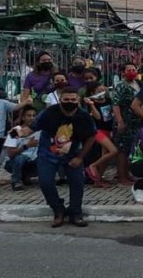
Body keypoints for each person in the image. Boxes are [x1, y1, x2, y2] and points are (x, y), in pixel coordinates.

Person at [14, 87, 97, 227]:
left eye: (73, 99)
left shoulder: (84, 116)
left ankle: (76, 213)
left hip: (73, 155)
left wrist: (81, 157)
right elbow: (31, 128)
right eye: (66, 99)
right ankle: (58, 210)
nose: (70, 102)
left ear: (78, 100)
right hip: (47, 155)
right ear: (60, 100)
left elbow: (91, 136)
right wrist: (15, 135)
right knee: (45, 183)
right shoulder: (49, 112)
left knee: (77, 183)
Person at [81, 82, 119, 188]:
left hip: (108, 130)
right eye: (99, 91)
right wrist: (91, 105)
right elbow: (97, 117)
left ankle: (98, 179)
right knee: (113, 151)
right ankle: (92, 166)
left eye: (103, 90)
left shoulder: (108, 100)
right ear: (93, 93)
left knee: (105, 157)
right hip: (98, 131)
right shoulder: (91, 103)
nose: (102, 92)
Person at [112, 62, 141, 186]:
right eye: (128, 70)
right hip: (124, 121)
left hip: (135, 122)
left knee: (130, 148)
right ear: (123, 72)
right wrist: (120, 121)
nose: (131, 72)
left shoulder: (137, 84)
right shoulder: (120, 85)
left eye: (133, 69)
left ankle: (127, 174)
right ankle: (121, 177)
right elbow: (115, 103)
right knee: (122, 150)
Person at [3, 106, 40, 191]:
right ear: (23, 117)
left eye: (34, 115)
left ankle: (27, 177)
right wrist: (27, 146)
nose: (32, 118)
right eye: (29, 115)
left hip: (33, 160)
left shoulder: (40, 131)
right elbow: (10, 153)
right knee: (20, 158)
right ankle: (16, 181)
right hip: (13, 162)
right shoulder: (15, 131)